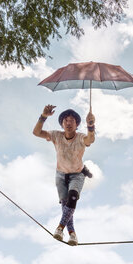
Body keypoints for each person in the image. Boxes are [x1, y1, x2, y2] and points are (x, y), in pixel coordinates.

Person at [33, 104, 95, 246]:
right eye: (66, 120)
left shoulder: (80, 137)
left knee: (73, 197)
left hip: (77, 174)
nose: (69, 122)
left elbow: (90, 140)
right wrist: (43, 116)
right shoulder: (56, 135)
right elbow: (36, 132)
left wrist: (91, 126)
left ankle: (59, 228)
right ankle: (72, 234)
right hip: (61, 174)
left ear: (77, 124)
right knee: (66, 207)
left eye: (72, 120)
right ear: (62, 124)